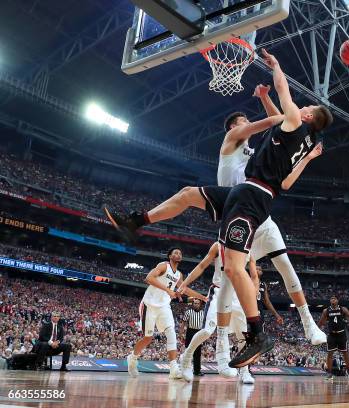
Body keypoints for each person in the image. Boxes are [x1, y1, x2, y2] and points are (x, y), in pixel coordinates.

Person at [105, 48, 333, 368]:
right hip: (242, 192)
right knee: (187, 194)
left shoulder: (298, 122)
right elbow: (286, 180)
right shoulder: (303, 141)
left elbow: (284, 94)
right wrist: (306, 155)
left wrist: (278, 66)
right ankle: (135, 222)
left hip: (252, 198)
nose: (301, 107)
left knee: (234, 267)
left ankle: (256, 334)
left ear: (308, 117)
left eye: (306, 107)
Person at [177, 242, 254, 384]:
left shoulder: (248, 247)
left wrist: (253, 295)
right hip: (218, 290)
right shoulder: (218, 245)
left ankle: (244, 371)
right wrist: (185, 283)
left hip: (238, 293)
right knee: (207, 331)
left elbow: (253, 275)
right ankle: (186, 358)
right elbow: (201, 265)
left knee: (243, 334)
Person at [126, 248, 193, 379]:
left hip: (164, 306)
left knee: (171, 332)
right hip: (149, 304)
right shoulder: (163, 266)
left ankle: (174, 369)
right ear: (170, 256)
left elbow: (184, 289)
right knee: (147, 338)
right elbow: (149, 278)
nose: (178, 254)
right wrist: (168, 290)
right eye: (175, 252)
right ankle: (132, 358)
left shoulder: (179, 275)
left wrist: (202, 298)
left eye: (180, 253)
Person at [318, 295, 349, 380]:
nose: (332, 300)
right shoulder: (326, 311)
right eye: (331, 298)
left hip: (341, 334)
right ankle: (329, 372)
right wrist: (316, 330)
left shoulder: (343, 309)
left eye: (334, 299)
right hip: (332, 335)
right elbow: (321, 322)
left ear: (337, 301)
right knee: (330, 354)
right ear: (330, 301)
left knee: (345, 353)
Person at [182, 298, 206, 377]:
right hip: (190, 331)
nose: (196, 305)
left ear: (200, 304)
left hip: (199, 332)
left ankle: (197, 371)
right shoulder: (188, 312)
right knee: (187, 350)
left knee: (197, 353)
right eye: (195, 303)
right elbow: (183, 322)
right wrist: (181, 333)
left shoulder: (203, 313)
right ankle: (184, 369)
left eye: (197, 303)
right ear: (192, 304)